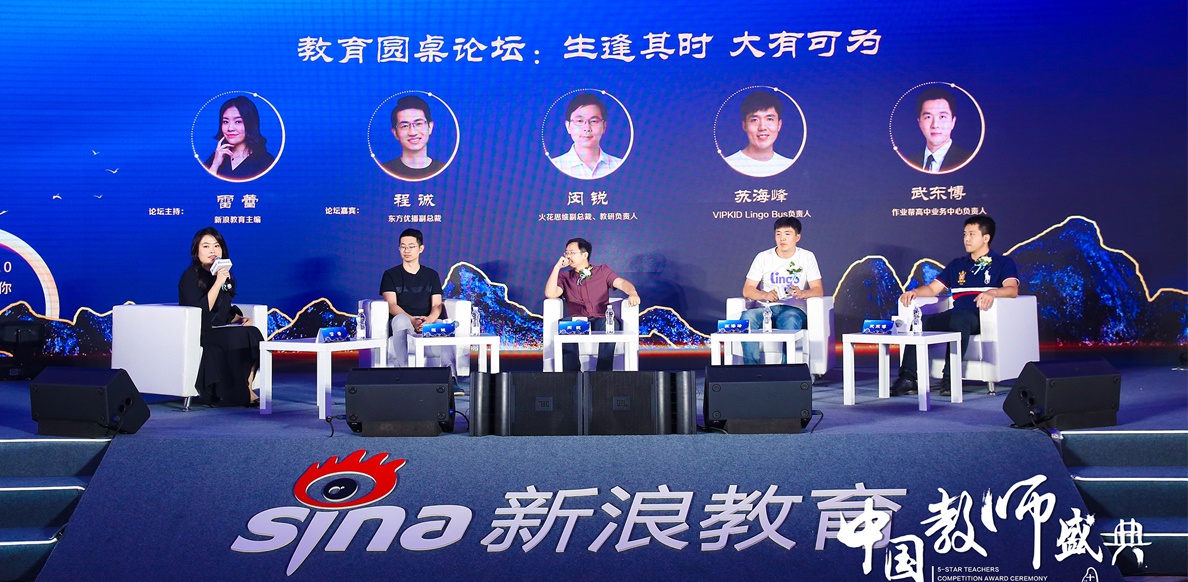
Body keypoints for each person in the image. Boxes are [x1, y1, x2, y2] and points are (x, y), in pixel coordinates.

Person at [891, 215, 1019, 396]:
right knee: (921, 323)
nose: (966, 239)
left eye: (972, 234)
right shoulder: (957, 264)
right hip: (956, 313)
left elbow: (1012, 289)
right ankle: (907, 377)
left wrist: (993, 292)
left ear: (986, 238)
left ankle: (950, 378)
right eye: (965, 234)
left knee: (960, 320)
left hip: (980, 317)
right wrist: (916, 292)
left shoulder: (1002, 262)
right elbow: (932, 289)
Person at [178, 227, 263, 407]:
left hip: (218, 328)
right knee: (238, 336)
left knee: (252, 332)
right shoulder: (189, 276)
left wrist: (239, 319)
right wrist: (217, 283)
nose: (213, 251)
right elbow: (200, 312)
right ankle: (241, 392)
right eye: (206, 246)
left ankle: (247, 387)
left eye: (217, 246)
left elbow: (224, 311)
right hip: (199, 332)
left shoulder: (225, 276)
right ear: (196, 251)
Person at [544, 237, 641, 371]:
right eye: (566, 252)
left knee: (610, 324)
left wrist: (633, 293)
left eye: (572, 252)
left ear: (584, 255)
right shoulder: (565, 277)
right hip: (579, 321)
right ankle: (572, 375)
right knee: (565, 324)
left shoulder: (602, 271)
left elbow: (622, 283)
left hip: (601, 319)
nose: (568, 256)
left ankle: (602, 374)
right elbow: (551, 294)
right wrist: (557, 268)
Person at [739, 217, 824, 365]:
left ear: (797, 237)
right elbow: (747, 290)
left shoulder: (807, 257)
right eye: (778, 234)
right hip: (766, 308)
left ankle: (786, 371)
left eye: (787, 234)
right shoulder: (763, 257)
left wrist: (802, 293)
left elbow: (818, 290)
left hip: (794, 309)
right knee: (748, 316)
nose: (782, 238)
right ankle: (751, 370)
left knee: (790, 319)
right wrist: (765, 295)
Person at [379, 228, 451, 370]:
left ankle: (449, 374)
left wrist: (429, 320)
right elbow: (391, 304)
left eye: (411, 246)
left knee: (442, 325)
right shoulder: (390, 274)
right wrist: (412, 320)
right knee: (400, 320)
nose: (406, 250)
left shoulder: (431, 275)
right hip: (404, 321)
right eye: (403, 246)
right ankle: (404, 370)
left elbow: (437, 305)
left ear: (421, 249)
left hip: (426, 321)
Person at [550, 93, 623, 179]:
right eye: (579, 121)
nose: (587, 128)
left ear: (604, 126)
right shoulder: (555, 167)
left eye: (594, 121)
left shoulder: (619, 166)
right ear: (568, 126)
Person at [724, 90, 794, 178]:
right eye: (754, 120)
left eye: (769, 119)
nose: (762, 127)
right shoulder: (729, 164)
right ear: (744, 125)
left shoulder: (789, 166)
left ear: (779, 125)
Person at [204, 96, 275, 180]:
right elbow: (203, 186)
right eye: (225, 122)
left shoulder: (265, 161)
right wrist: (215, 165)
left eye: (238, 122)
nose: (230, 128)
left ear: (250, 124)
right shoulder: (216, 157)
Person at [381, 95, 446, 180]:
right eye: (404, 126)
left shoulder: (445, 171)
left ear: (430, 127)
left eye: (419, 124)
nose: (412, 132)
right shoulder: (383, 172)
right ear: (395, 133)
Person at [912, 87, 971, 172]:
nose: (935, 125)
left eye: (942, 117)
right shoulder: (910, 163)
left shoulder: (968, 161)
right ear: (919, 122)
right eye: (928, 117)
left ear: (953, 122)